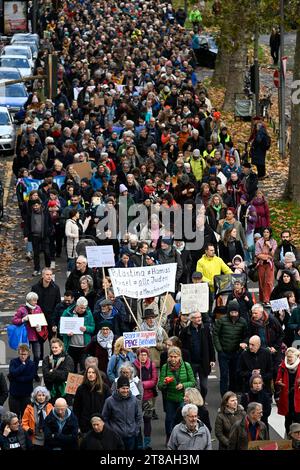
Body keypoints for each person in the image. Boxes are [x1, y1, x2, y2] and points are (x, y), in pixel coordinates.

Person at [158, 346, 196, 441]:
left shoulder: (186, 366)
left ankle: (182, 439)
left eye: (175, 356)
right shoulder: (165, 367)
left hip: (183, 398)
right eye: (171, 356)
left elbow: (193, 382)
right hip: (170, 398)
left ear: (180, 356)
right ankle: (169, 438)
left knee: (182, 419)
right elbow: (159, 386)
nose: (173, 359)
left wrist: (183, 385)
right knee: (169, 420)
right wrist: (165, 383)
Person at [213, 300, 248, 396]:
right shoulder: (222, 320)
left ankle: (232, 395)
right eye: (232, 312)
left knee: (234, 374)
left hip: (236, 352)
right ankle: (223, 396)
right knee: (224, 375)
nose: (234, 314)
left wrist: (244, 343)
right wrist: (219, 349)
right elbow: (215, 334)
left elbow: (246, 335)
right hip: (224, 352)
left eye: (236, 312)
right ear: (228, 312)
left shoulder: (243, 322)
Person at [12, 292, 48, 381]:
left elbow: (42, 319)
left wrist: (41, 326)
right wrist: (23, 319)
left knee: (37, 356)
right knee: (26, 356)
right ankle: (26, 372)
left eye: (36, 300)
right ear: (29, 300)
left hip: (36, 336)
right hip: (26, 337)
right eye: (34, 300)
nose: (36, 302)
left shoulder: (38, 308)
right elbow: (14, 320)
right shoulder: (22, 310)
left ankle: (34, 372)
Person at [179, 311, 215, 400]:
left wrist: (212, 359)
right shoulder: (185, 331)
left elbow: (210, 344)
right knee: (192, 385)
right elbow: (181, 347)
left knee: (204, 386)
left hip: (203, 362)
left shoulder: (205, 329)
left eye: (200, 317)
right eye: (196, 317)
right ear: (191, 319)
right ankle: (194, 402)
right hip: (191, 363)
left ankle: (202, 400)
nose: (199, 319)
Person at [102, 376, 143, 450]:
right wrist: (111, 432)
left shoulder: (134, 400)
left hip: (131, 437)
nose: (125, 391)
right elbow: (104, 418)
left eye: (127, 388)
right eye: (123, 388)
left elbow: (139, 417)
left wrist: (135, 431)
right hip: (116, 437)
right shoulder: (109, 401)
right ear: (118, 388)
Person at [73, 365, 111, 435]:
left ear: (97, 374)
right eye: (89, 372)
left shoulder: (105, 388)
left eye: (93, 372)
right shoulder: (81, 389)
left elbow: (109, 407)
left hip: (100, 424)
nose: (91, 374)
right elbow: (76, 409)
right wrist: (77, 426)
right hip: (85, 425)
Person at [61, 296, 95, 373]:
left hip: (84, 346)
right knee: (72, 368)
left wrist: (86, 328)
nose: (83, 310)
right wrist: (66, 333)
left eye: (85, 308)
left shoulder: (89, 314)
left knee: (84, 368)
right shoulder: (67, 312)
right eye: (81, 308)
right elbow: (61, 327)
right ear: (77, 305)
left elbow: (92, 328)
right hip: (71, 346)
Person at [133, 347, 158, 450]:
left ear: (147, 356)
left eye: (144, 355)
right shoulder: (133, 365)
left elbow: (154, 380)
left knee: (147, 420)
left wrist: (142, 385)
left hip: (148, 397)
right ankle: (139, 443)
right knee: (137, 421)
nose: (142, 357)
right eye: (140, 355)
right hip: (137, 398)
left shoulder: (151, 365)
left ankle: (147, 443)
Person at [275, 347, 300, 434]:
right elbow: (277, 380)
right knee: (288, 420)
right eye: (287, 356)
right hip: (287, 397)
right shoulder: (282, 366)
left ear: (296, 357)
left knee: (298, 420)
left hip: (298, 398)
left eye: (291, 357)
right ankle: (289, 438)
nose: (289, 358)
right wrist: (279, 383)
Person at [42, 337, 74, 404]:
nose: (54, 349)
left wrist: (52, 372)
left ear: (61, 347)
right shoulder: (47, 359)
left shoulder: (68, 359)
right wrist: (59, 374)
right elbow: (46, 375)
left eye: (56, 347)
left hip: (65, 392)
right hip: (50, 391)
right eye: (52, 347)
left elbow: (66, 375)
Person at [31, 268, 61, 338]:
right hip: (39, 318)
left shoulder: (56, 288)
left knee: (52, 343)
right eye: (47, 274)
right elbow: (32, 304)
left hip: (51, 318)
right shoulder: (35, 288)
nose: (49, 276)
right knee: (39, 342)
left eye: (51, 275)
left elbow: (58, 304)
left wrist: (55, 322)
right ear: (42, 276)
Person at [8, 344, 35, 418]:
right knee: (14, 418)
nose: (23, 356)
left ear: (28, 354)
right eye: (21, 354)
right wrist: (22, 366)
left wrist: (16, 378)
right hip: (14, 395)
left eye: (25, 354)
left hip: (26, 395)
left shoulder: (31, 364)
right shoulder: (13, 362)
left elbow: (30, 378)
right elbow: (13, 373)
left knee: (25, 417)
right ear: (18, 353)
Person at [255, 227, 277, 305]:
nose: (265, 233)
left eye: (267, 232)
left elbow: (273, 254)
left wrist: (270, 247)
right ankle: (262, 298)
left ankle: (267, 300)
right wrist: (267, 256)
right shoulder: (258, 242)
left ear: (270, 233)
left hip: (269, 264)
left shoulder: (273, 242)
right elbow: (258, 254)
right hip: (261, 264)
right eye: (264, 232)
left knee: (269, 282)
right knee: (261, 282)